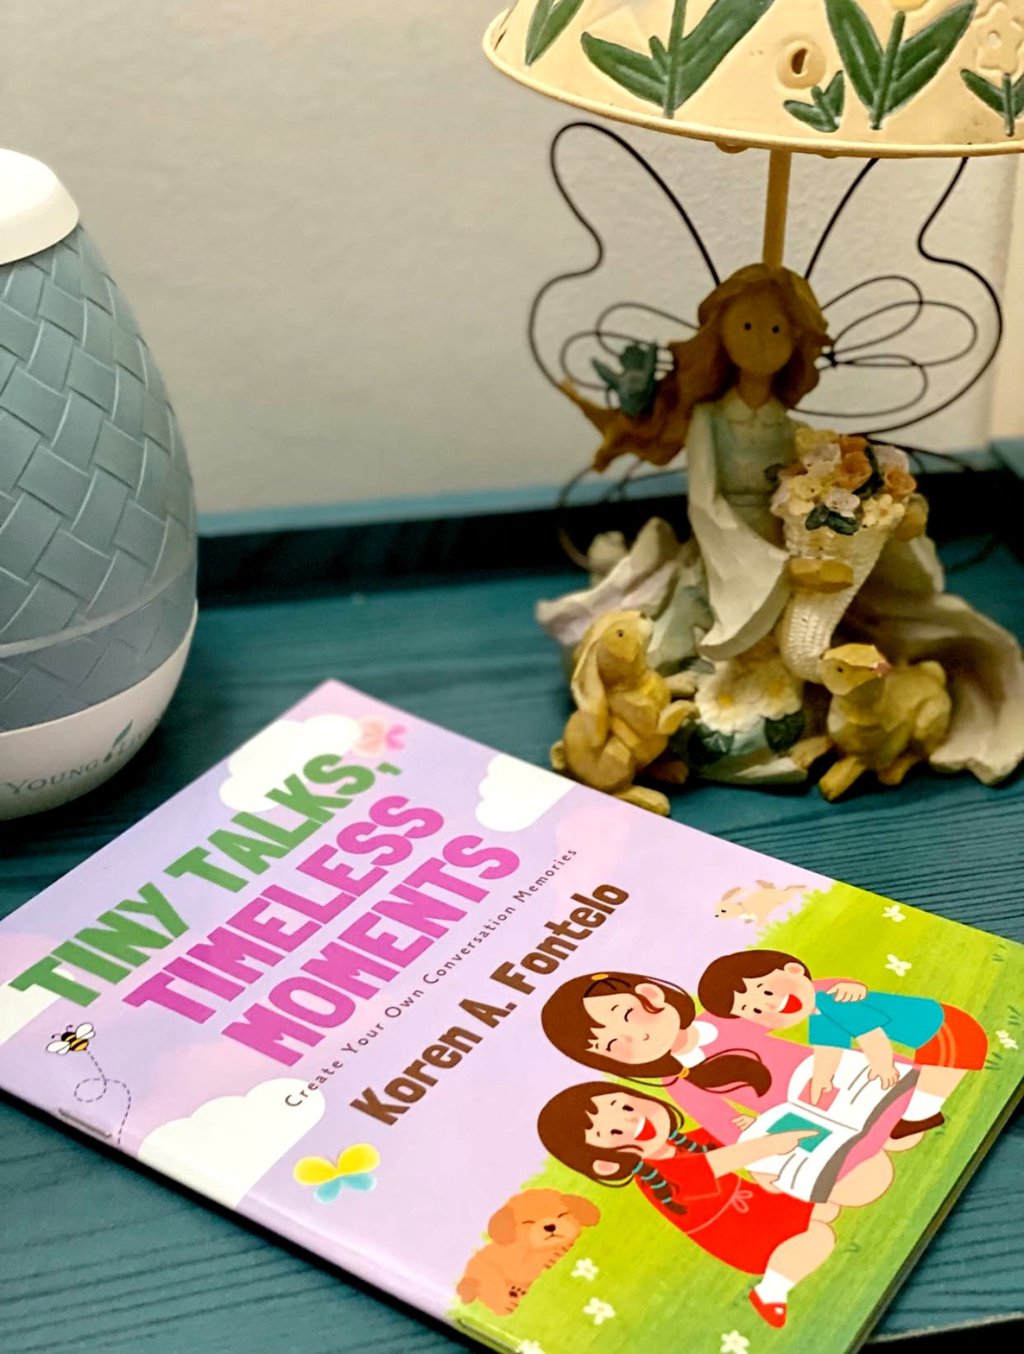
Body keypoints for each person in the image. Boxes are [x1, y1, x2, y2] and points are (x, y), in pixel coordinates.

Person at [539, 263, 1024, 785]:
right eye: (747, 326)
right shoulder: (708, 419)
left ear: (797, 341)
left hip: (791, 544)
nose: (762, 342)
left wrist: (885, 514)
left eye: (776, 329)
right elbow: (706, 504)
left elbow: (824, 490)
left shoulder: (794, 430)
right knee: (670, 652)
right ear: (721, 336)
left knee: (827, 639)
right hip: (729, 561)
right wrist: (777, 569)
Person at [537, 1082, 833, 1328]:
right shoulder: (657, 1177)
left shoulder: (688, 1141)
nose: (632, 1123)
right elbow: (713, 1164)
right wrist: (764, 1145)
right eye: (612, 1134)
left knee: (830, 1203)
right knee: (820, 1236)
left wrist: (749, 1129)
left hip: (765, 1205)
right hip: (747, 1236)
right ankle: (770, 1291)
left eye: (626, 1107)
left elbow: (730, 1143)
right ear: (605, 1164)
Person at [698, 949, 988, 1139]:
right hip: (932, 1034)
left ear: (794, 971)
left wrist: (882, 1064)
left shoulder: (835, 1001)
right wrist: (822, 1079)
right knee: (925, 1083)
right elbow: (829, 1047)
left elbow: (870, 1033)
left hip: (945, 1029)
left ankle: (922, 1116)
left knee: (935, 1082)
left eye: (766, 991)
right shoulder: (819, 1013)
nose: (769, 1005)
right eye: (754, 1010)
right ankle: (919, 1116)